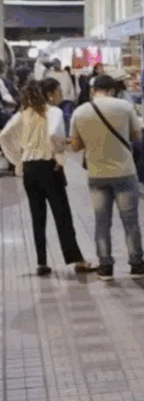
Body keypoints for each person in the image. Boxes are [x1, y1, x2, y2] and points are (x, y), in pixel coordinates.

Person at [0, 79, 94, 276]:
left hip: (29, 170)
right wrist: (60, 149)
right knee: (62, 215)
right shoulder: (54, 112)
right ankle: (77, 259)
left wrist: (18, 160)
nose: (61, 94)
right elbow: (53, 134)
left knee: (37, 216)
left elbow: (4, 135)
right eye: (59, 90)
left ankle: (42, 262)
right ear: (50, 94)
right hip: (49, 168)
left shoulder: (23, 113)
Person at [70, 75, 144, 281]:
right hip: (124, 172)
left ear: (93, 90)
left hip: (97, 174)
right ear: (112, 90)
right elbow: (137, 136)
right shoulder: (124, 107)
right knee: (130, 222)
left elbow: (75, 146)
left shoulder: (79, 112)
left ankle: (105, 267)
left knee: (102, 222)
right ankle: (136, 264)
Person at [46, 60, 77, 133]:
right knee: (55, 118)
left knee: (66, 117)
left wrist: (72, 98)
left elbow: (70, 87)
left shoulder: (65, 73)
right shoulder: (50, 74)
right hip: (54, 100)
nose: (57, 65)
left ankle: (67, 134)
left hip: (66, 100)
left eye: (58, 64)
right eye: (55, 64)